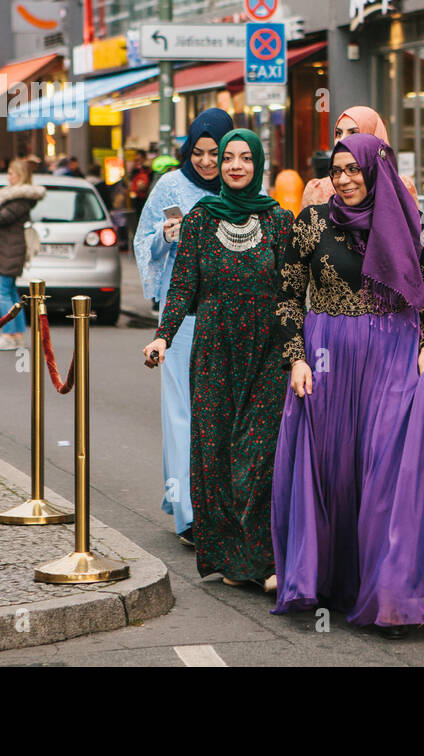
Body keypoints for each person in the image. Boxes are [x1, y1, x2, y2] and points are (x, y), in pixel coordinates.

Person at [271, 133, 424, 638]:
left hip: (393, 357)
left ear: (374, 169)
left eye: (353, 169)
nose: (343, 179)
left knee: (391, 473)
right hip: (327, 361)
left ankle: (395, 597)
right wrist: (296, 358)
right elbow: (287, 298)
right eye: (336, 170)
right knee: (336, 475)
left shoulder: (412, 224)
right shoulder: (311, 222)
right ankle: (338, 582)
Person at [141, 129, 293, 590]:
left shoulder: (278, 221)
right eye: (229, 158)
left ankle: (264, 559)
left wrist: (299, 352)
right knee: (217, 452)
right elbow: (183, 285)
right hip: (214, 351)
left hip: (267, 353)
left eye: (245, 158)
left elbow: (291, 294)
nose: (235, 166)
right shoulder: (201, 220)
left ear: (258, 163)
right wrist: (163, 337)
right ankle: (231, 557)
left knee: (259, 453)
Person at [133, 108, 233, 547]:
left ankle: (219, 503)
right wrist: (165, 236)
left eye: (216, 153)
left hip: (230, 316)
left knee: (224, 414)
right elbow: (143, 242)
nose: (208, 162)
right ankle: (190, 514)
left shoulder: (241, 182)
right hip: (182, 316)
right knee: (182, 414)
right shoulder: (171, 186)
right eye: (199, 152)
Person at [0, 159, 45, 351]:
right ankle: (17, 334)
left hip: (10, 248)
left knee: (1, 292)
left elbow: (0, 218)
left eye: (11, 173)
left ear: (20, 176)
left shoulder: (20, 198)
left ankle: (8, 334)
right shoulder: (18, 198)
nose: (8, 177)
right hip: (9, 247)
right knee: (10, 291)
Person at [301, 107, 418, 207]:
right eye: (338, 133)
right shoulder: (318, 190)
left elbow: (415, 224)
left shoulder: (402, 186)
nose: (341, 140)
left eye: (353, 133)